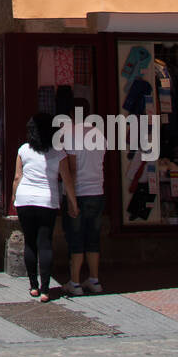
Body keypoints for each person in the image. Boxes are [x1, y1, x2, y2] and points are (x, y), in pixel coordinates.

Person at [12, 111, 79, 302]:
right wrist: (73, 204)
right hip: (46, 201)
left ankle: (33, 285)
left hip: (25, 200)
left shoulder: (23, 150)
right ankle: (45, 289)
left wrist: (14, 196)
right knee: (45, 243)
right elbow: (67, 180)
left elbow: (17, 177)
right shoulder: (58, 152)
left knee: (30, 243)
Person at [62, 99, 106, 295]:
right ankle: (95, 280)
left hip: (79, 192)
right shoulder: (99, 134)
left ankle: (75, 281)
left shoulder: (71, 134)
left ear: (72, 113)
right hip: (97, 191)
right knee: (93, 238)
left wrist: (71, 199)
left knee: (76, 237)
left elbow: (71, 170)